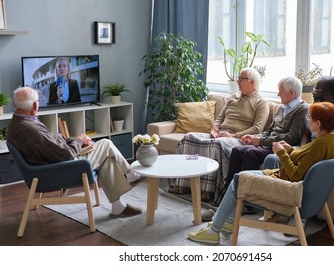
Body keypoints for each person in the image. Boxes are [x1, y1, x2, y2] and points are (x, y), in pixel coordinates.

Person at [187, 101, 334, 244]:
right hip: (286, 181)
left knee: (238, 180)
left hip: (287, 188)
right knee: (241, 178)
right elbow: (305, 159)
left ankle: (214, 230)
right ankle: (228, 221)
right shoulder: (329, 141)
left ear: (318, 123)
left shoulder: (319, 145)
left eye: (310, 117)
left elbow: (295, 175)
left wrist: (281, 153)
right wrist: (291, 149)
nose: (307, 119)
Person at [7, 86, 143, 218]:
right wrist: (78, 140)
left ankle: (118, 207)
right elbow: (65, 153)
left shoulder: (18, 123)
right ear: (35, 106)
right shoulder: (31, 129)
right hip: (62, 169)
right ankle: (130, 174)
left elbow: (52, 144)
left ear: (15, 104)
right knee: (105, 144)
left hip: (52, 164)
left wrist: (76, 141)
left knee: (104, 156)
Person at [169, 67, 270, 205]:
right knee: (189, 137)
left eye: (241, 78)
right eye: (238, 78)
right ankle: (181, 184)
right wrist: (215, 129)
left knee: (217, 144)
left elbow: (258, 128)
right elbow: (220, 117)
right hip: (220, 134)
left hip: (238, 139)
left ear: (252, 82)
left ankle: (206, 190)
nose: (238, 81)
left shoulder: (261, 102)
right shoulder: (233, 97)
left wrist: (233, 135)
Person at [225, 76, 309, 190]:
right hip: (268, 143)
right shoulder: (282, 107)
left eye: (281, 91)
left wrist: (261, 140)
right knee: (237, 150)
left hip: (279, 147)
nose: (278, 95)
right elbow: (269, 130)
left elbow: (292, 137)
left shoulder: (302, 109)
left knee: (251, 153)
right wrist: (254, 137)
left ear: (291, 93)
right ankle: (228, 193)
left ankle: (245, 195)